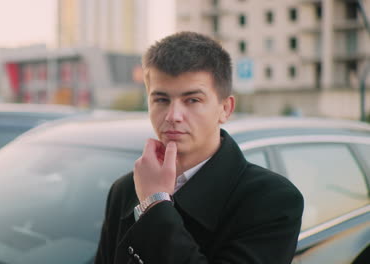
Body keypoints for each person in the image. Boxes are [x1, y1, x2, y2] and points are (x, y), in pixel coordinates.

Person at [94, 31, 304, 264]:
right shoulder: (126, 189)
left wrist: (155, 203)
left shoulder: (272, 200)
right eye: (161, 100)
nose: (173, 116)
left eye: (192, 100)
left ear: (225, 108)